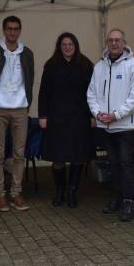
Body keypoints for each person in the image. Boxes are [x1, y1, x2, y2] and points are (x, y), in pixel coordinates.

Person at [87, 28, 134, 222]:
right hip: (106, 126)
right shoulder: (99, 67)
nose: (114, 43)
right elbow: (92, 94)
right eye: (110, 40)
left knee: (126, 164)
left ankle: (130, 201)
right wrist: (97, 114)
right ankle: (118, 197)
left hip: (126, 127)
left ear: (124, 43)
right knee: (113, 164)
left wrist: (116, 115)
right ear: (107, 43)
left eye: (117, 40)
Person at [0, 15, 34, 212]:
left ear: (20, 31)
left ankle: (16, 192)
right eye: (9, 29)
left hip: (20, 109)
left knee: (19, 154)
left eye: (16, 29)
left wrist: (27, 102)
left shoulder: (27, 53)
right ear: (4, 30)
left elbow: (30, 78)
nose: (13, 32)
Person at [38, 32, 94, 208]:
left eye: (71, 44)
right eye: (64, 44)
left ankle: (72, 191)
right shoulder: (51, 65)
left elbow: (94, 93)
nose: (67, 47)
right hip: (57, 119)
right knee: (58, 157)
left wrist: (93, 115)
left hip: (80, 118)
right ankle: (60, 191)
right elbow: (43, 93)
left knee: (78, 157)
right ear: (59, 46)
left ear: (76, 46)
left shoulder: (86, 65)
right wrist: (42, 116)